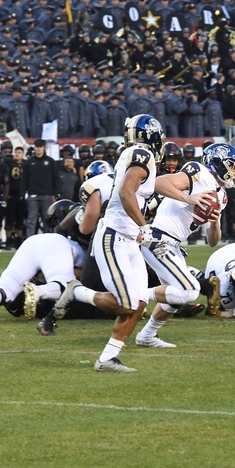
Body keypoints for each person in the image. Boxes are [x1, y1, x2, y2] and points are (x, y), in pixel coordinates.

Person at [53, 115, 216, 373]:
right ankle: (77, 292)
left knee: (139, 301)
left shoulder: (138, 154)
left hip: (130, 238)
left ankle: (108, 357)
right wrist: (144, 226)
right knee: (128, 303)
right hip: (116, 235)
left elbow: (139, 194)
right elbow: (126, 192)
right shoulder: (143, 154)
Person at [130, 142, 235, 348]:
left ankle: (147, 336)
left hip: (173, 245)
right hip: (158, 238)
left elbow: (212, 241)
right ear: (218, 164)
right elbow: (158, 182)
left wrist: (214, 222)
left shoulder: (222, 195)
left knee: (173, 299)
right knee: (189, 291)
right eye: (232, 166)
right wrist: (189, 198)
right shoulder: (200, 172)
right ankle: (130, 295)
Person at [0, 200, 87, 323]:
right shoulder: (73, 241)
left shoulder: (46, 236)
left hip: (30, 242)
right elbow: (86, 273)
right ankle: (39, 292)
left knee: (7, 288)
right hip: (59, 246)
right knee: (64, 285)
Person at [23, 139, 57, 237]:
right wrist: (23, 193)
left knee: (47, 219)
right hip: (32, 195)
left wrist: (55, 193)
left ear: (44, 148)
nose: (38, 149)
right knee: (31, 220)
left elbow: (55, 178)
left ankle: (47, 241)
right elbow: (24, 179)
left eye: (40, 147)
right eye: (37, 147)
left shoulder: (50, 162)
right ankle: (29, 241)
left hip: (47, 195)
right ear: (34, 148)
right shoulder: (29, 163)